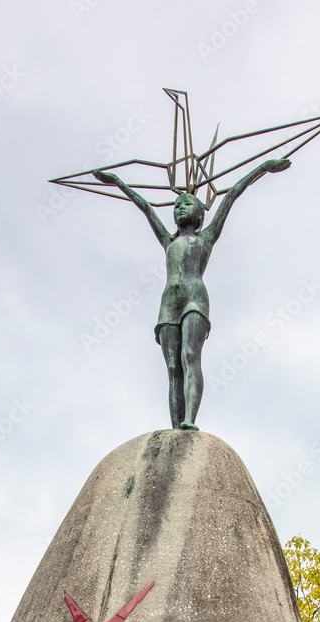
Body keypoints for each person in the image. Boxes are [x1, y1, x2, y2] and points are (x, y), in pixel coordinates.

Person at [92, 158, 291, 429]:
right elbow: (145, 208)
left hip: (194, 299)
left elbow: (231, 195)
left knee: (189, 356)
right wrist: (117, 182)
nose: (179, 208)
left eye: (186, 204)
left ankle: (189, 420)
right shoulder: (169, 240)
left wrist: (264, 168)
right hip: (168, 304)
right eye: (176, 205)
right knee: (173, 370)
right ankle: (177, 429)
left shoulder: (205, 238)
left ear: (200, 213)